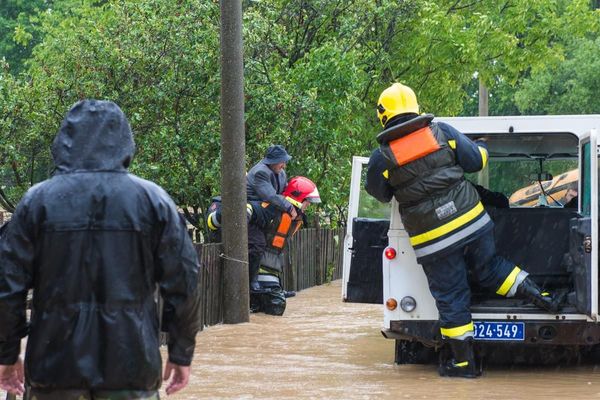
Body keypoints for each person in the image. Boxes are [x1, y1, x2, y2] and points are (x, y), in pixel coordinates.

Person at [0, 100, 201, 399]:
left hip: (54, 368)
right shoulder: (153, 201)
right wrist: (181, 352)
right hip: (131, 365)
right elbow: (184, 281)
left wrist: (7, 354)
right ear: (124, 141)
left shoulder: (36, 202)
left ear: (64, 141)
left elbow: (7, 287)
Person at [365, 83, 562, 378]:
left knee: (452, 296)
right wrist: (480, 144)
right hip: (473, 223)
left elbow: (380, 194)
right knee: (493, 269)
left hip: (434, 241)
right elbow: (477, 160)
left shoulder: (382, 158)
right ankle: (544, 296)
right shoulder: (441, 132)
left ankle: (464, 363)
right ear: (415, 106)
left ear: (383, 114)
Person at [208, 176, 321, 315]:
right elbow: (251, 209)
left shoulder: (294, 217)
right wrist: (246, 215)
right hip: (256, 269)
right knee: (275, 305)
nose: (308, 206)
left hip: (269, 270)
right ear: (298, 198)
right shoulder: (273, 209)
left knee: (269, 308)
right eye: (307, 202)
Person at [245, 145, 295, 293]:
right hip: (251, 216)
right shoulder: (260, 172)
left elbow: (284, 192)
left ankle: (273, 287)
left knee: (272, 248)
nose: (284, 165)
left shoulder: (281, 172)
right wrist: (289, 207)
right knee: (258, 245)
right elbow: (270, 196)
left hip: (266, 217)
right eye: (282, 161)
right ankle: (252, 284)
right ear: (272, 161)